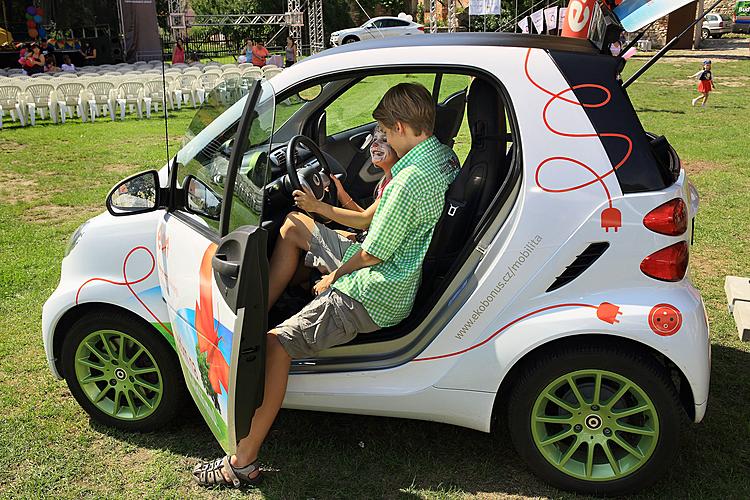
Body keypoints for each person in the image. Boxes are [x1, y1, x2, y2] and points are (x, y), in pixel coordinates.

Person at [192, 82, 459, 488]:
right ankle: (255, 311)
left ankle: (242, 462)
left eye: (385, 131)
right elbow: (373, 221)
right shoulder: (438, 156)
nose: (382, 138)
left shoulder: (409, 181)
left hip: (375, 291)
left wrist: (333, 277)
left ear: (402, 126)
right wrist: (320, 207)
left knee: (275, 345)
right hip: (391, 269)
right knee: (296, 224)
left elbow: (373, 253)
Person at [267, 124, 397, 308]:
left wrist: (316, 206)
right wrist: (341, 193)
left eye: (384, 141)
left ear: (400, 146)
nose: (376, 145)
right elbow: (369, 221)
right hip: (368, 241)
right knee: (320, 235)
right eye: (374, 139)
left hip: (371, 257)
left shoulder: (395, 184)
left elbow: (364, 220)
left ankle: (262, 307)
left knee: (292, 224)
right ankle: (293, 295)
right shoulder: (388, 179)